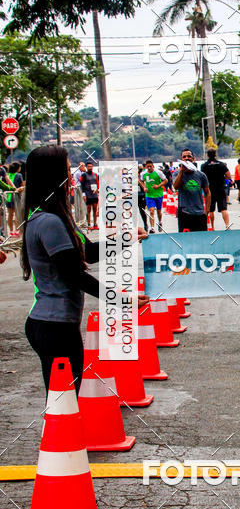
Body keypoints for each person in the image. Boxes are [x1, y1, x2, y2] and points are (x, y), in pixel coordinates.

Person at [21, 145, 149, 395]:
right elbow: (75, 275)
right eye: (67, 169)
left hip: (58, 324)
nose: (72, 177)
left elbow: (88, 252)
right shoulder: (49, 222)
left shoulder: (55, 217)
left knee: (64, 399)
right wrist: (123, 300)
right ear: (53, 175)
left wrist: (127, 237)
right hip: (53, 326)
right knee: (63, 401)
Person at [173, 149, 211, 232]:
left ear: (193, 159)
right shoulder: (177, 173)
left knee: (201, 239)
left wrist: (207, 210)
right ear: (181, 159)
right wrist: (181, 172)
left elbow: (207, 193)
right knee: (185, 241)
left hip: (200, 213)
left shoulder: (201, 175)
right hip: (184, 213)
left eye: (189, 156)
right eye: (184, 157)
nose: (186, 158)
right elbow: (176, 187)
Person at [201, 149, 232, 229]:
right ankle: (227, 225)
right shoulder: (221, 165)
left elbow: (202, 178)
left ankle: (212, 226)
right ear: (215, 154)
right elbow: (228, 176)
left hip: (210, 190)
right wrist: (222, 178)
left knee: (211, 210)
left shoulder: (204, 166)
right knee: (223, 209)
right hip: (221, 188)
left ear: (207, 155)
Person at [140, 160, 167, 233]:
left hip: (158, 194)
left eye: (150, 166)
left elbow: (165, 181)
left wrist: (158, 185)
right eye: (147, 166)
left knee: (159, 211)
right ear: (146, 167)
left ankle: (160, 221)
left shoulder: (158, 172)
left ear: (153, 166)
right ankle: (152, 228)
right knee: (151, 211)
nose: (149, 168)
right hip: (149, 195)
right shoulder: (143, 174)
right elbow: (141, 181)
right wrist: (144, 187)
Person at [5, 162, 24, 237]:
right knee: (17, 215)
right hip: (16, 197)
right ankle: (17, 230)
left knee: (10, 214)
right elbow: (22, 186)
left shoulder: (7, 175)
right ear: (18, 168)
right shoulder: (19, 175)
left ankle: (11, 231)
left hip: (7, 197)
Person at [80, 161, 99, 230]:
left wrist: (97, 190)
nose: (90, 167)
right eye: (89, 166)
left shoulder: (95, 175)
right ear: (86, 167)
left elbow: (98, 183)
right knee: (88, 210)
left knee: (95, 209)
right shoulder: (84, 175)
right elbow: (82, 185)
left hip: (94, 194)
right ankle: (89, 224)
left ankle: (95, 224)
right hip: (88, 194)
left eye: (91, 166)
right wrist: (83, 194)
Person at [137, 165, 148, 232]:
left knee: (142, 211)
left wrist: (139, 181)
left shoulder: (141, 177)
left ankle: (145, 224)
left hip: (141, 195)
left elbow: (145, 186)